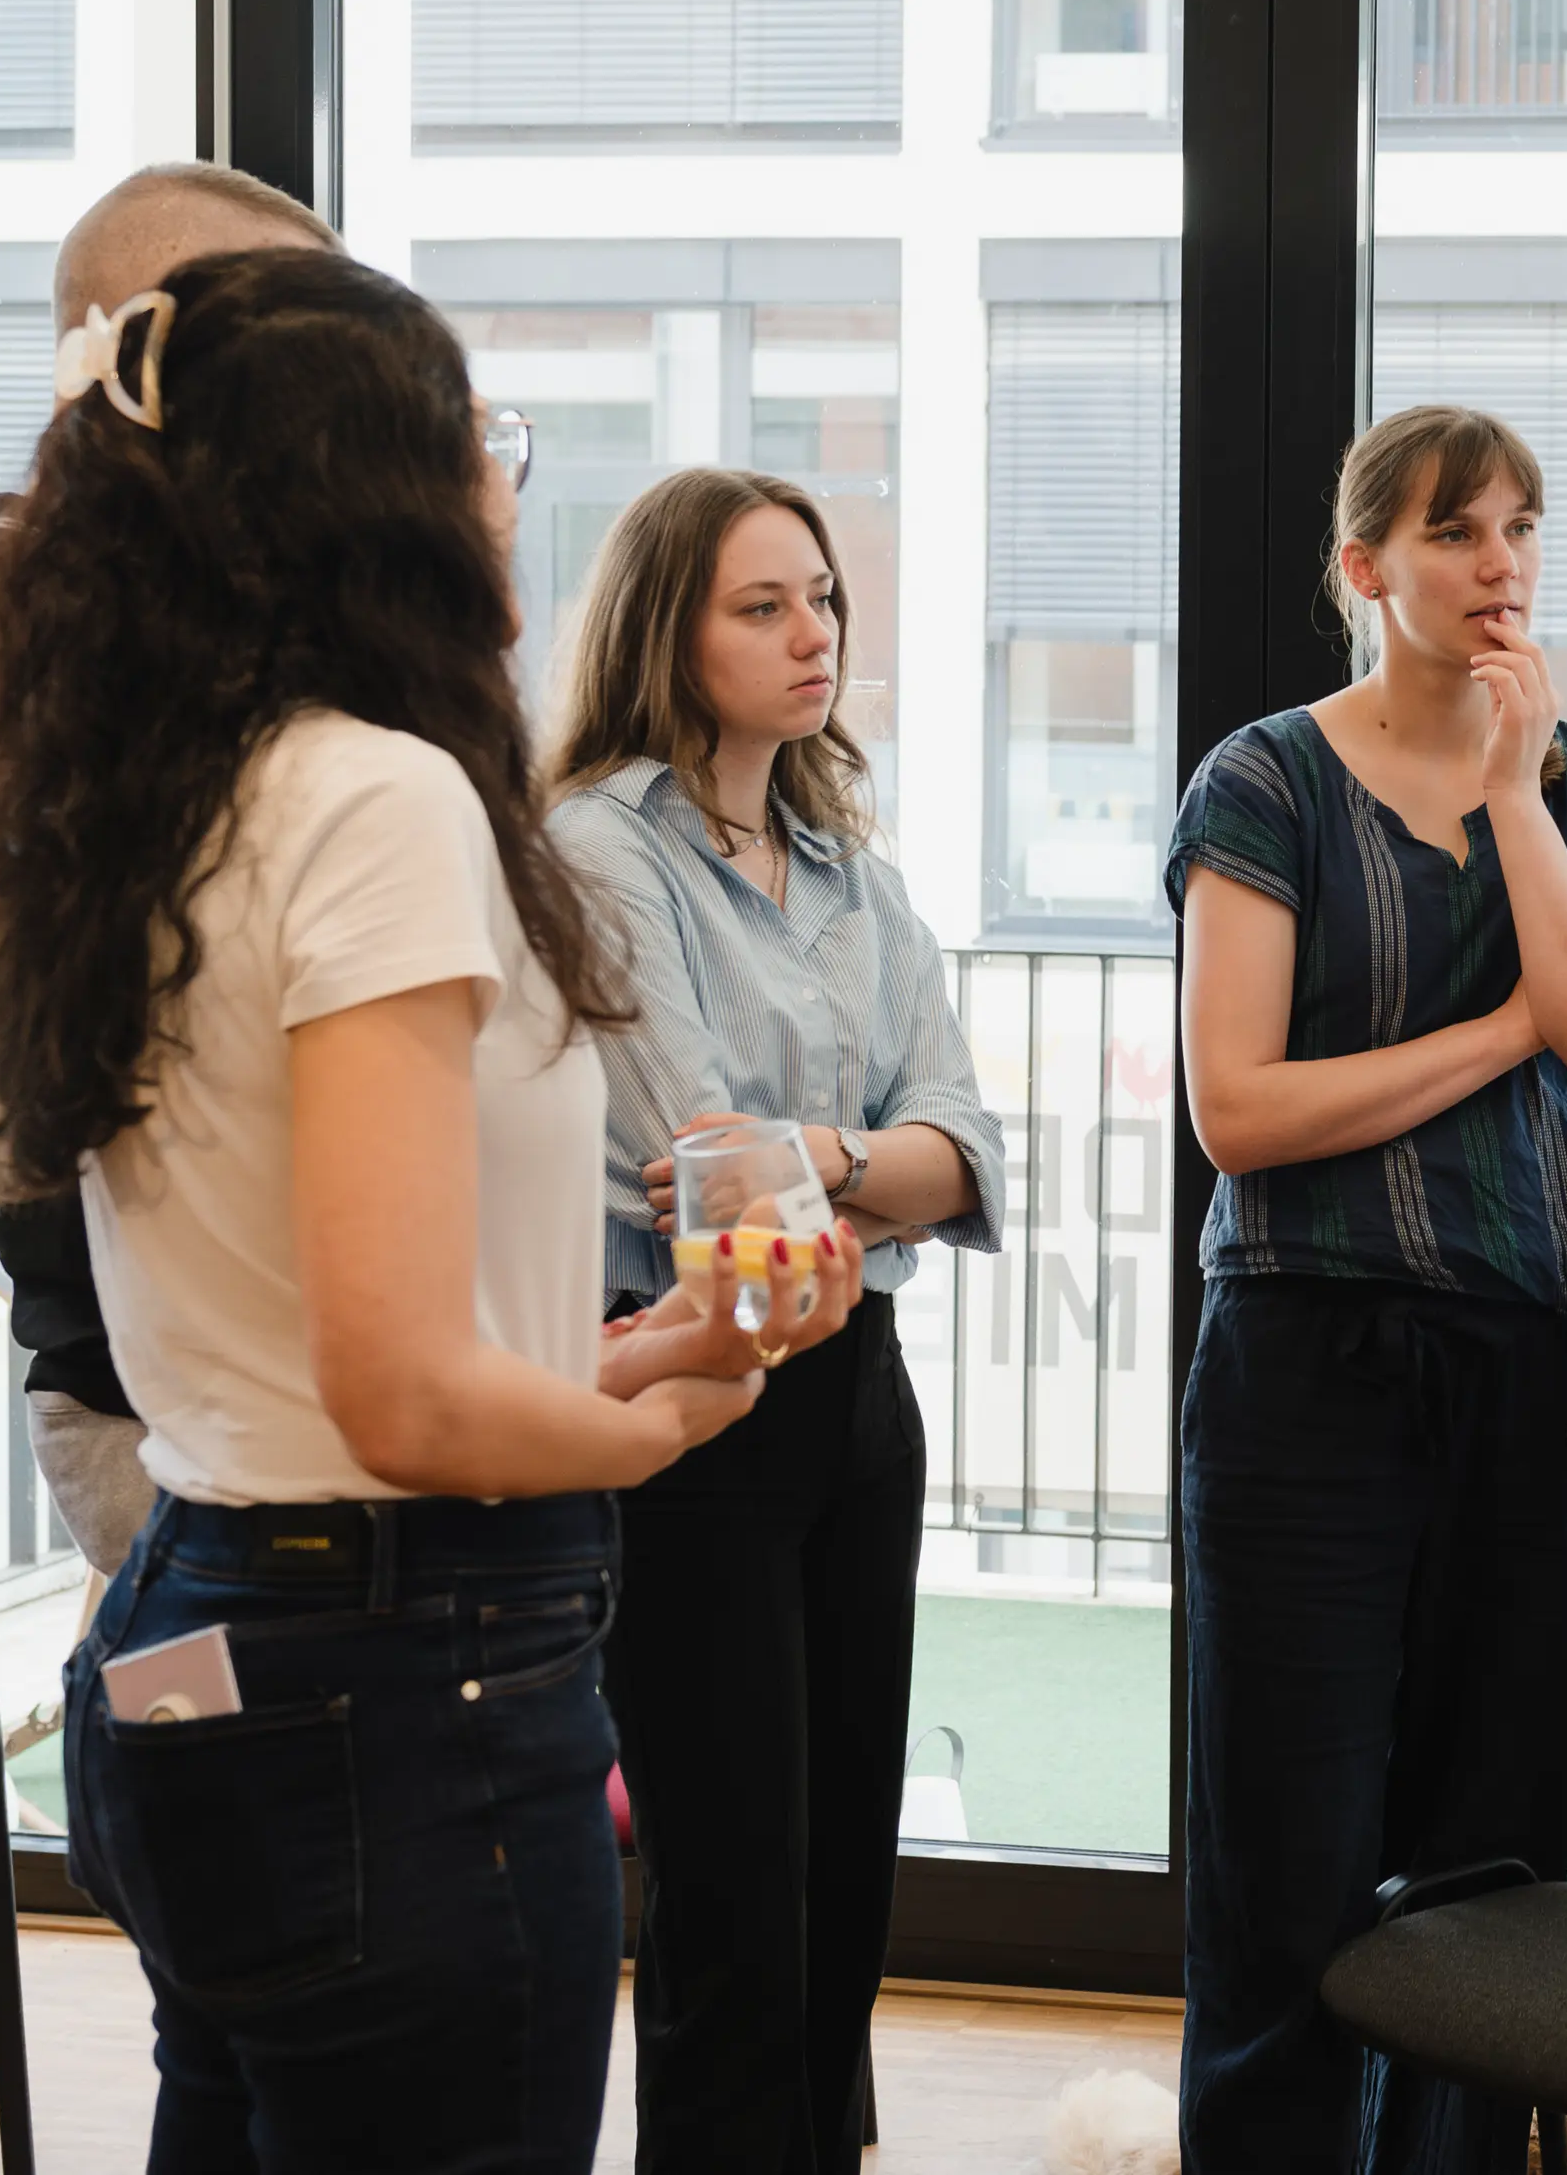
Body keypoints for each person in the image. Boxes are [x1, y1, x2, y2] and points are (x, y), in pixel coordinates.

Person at [0, 247, 859, 2173]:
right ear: (376, 496)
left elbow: (321, 1327)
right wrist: (671, 1415)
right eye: (480, 436)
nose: (508, 481)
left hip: (199, 1632)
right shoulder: (376, 801)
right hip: (398, 1678)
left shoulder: (147, 797)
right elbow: (407, 1402)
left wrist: (643, 1339)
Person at [1167, 404, 1567, 2173]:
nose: (1500, 566)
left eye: (1522, 529)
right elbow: (1239, 1113)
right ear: (1363, 566)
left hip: (1540, 1375)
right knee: (1288, 1860)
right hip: (1308, 1369)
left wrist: (1514, 800)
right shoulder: (1264, 783)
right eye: (1457, 532)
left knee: (1492, 1870)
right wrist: (1498, 1029)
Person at [543, 467, 1003, 2175]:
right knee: (732, 1903)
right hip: (705, 1400)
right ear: (671, 627)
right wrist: (863, 1159)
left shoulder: (851, 873)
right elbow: (703, 1170)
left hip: (860, 1403)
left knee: (839, 1894)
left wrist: (823, 1155)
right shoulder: (599, 846)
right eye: (763, 606)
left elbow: (974, 1144)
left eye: (820, 599)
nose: (813, 633)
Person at [0, 160, 341, 1582]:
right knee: (229, 1779)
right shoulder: (5, 643)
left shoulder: (182, 616)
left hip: (244, 1367)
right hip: (151, 1386)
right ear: (144, 352)